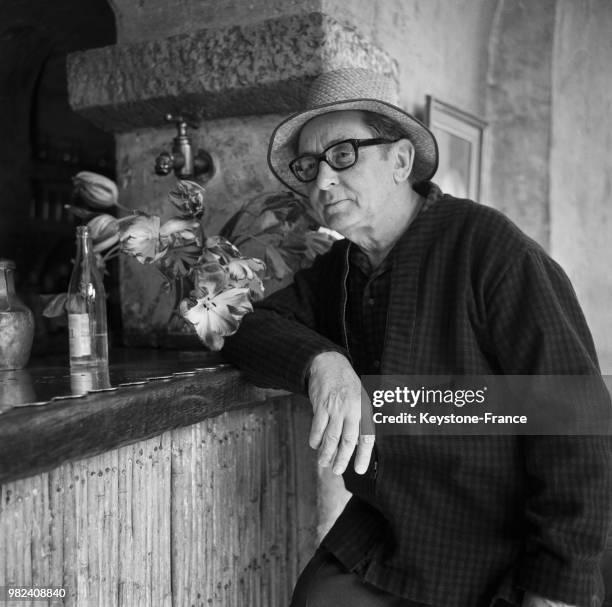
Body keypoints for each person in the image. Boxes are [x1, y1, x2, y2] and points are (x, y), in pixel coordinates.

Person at [222, 68, 611, 607]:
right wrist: (322, 362)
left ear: (400, 161)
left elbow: (578, 423)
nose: (320, 182)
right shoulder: (339, 267)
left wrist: (556, 586)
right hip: (392, 527)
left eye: (341, 155)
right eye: (308, 167)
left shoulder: (489, 247)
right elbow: (244, 324)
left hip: (502, 539)